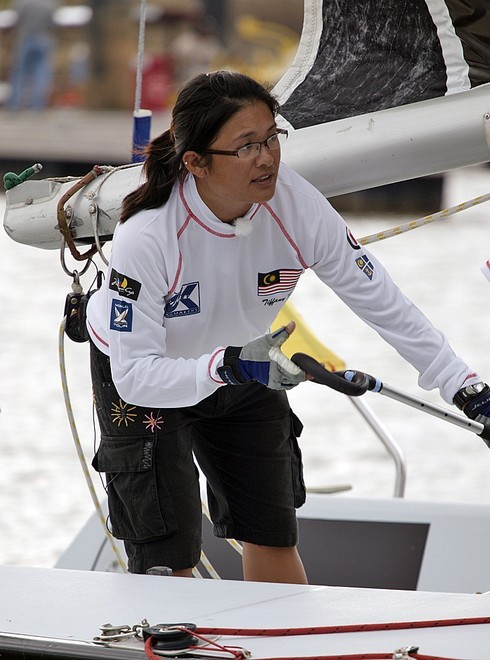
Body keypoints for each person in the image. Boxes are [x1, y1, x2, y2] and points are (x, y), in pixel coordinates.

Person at [86, 70, 490, 583]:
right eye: (247, 145)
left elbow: (384, 303)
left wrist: (467, 387)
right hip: (148, 379)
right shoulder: (147, 235)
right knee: (168, 563)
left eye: (272, 137)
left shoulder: (296, 205)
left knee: (273, 536)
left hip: (246, 364)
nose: (268, 157)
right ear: (196, 163)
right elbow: (134, 376)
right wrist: (225, 365)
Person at [7, 0, 59, 111]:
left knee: (20, 72)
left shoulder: (23, 2)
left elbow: (16, 19)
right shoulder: (50, 3)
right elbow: (53, 21)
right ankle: (37, 106)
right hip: (44, 38)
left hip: (27, 37)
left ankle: (14, 104)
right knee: (41, 73)